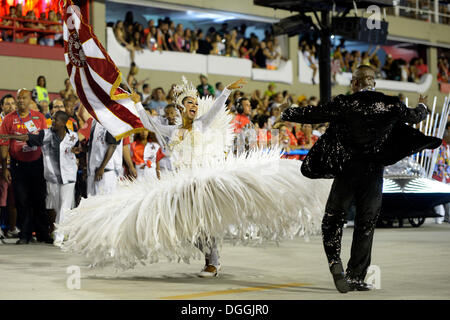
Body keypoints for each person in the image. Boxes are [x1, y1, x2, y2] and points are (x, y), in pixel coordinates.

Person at [57, 77, 330, 280]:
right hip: (181, 184)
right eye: (188, 103)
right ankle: (212, 257)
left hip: (204, 182)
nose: (193, 106)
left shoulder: (201, 123)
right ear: (179, 107)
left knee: (204, 225)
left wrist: (225, 91)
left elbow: (214, 111)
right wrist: (138, 104)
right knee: (190, 230)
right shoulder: (171, 130)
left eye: (195, 103)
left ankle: (212, 262)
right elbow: (148, 124)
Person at [281, 65, 440, 293]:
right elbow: (415, 117)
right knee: (366, 225)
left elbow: (313, 114)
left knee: (333, 220)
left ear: (355, 83)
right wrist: (423, 105)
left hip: (347, 171)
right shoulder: (391, 103)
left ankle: (335, 262)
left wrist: (287, 112)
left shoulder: (345, 103)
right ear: (373, 83)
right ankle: (356, 276)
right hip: (373, 174)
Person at [0, 111, 80, 245]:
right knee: (55, 206)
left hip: (69, 176)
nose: (52, 121)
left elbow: (80, 149)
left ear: (63, 123)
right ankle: (61, 230)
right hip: (53, 177)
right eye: (52, 119)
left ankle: (59, 235)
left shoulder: (73, 136)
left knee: (65, 206)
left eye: (55, 120)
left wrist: (78, 151)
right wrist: (10, 136)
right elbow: (27, 137)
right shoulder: (46, 134)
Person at [0, 89, 50, 244]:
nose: (21, 101)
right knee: (22, 201)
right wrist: (5, 168)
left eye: (24, 98)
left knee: (39, 199)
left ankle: (43, 233)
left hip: (37, 164)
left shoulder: (39, 117)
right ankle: (25, 234)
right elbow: (4, 144)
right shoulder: (8, 119)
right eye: (18, 98)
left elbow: (45, 140)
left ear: (30, 100)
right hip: (17, 165)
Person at [86, 120, 122, 196]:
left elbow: (113, 146)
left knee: (103, 204)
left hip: (104, 172)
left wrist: (102, 167)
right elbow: (94, 145)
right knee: (92, 204)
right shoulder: (95, 121)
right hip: (92, 171)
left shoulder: (112, 121)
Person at [0, 94, 19, 238]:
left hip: (16, 165)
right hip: (2, 166)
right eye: (7, 104)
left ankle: (12, 228)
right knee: (1, 198)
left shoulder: (16, 120)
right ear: (2, 106)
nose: (11, 106)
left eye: (13, 103)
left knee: (13, 199)